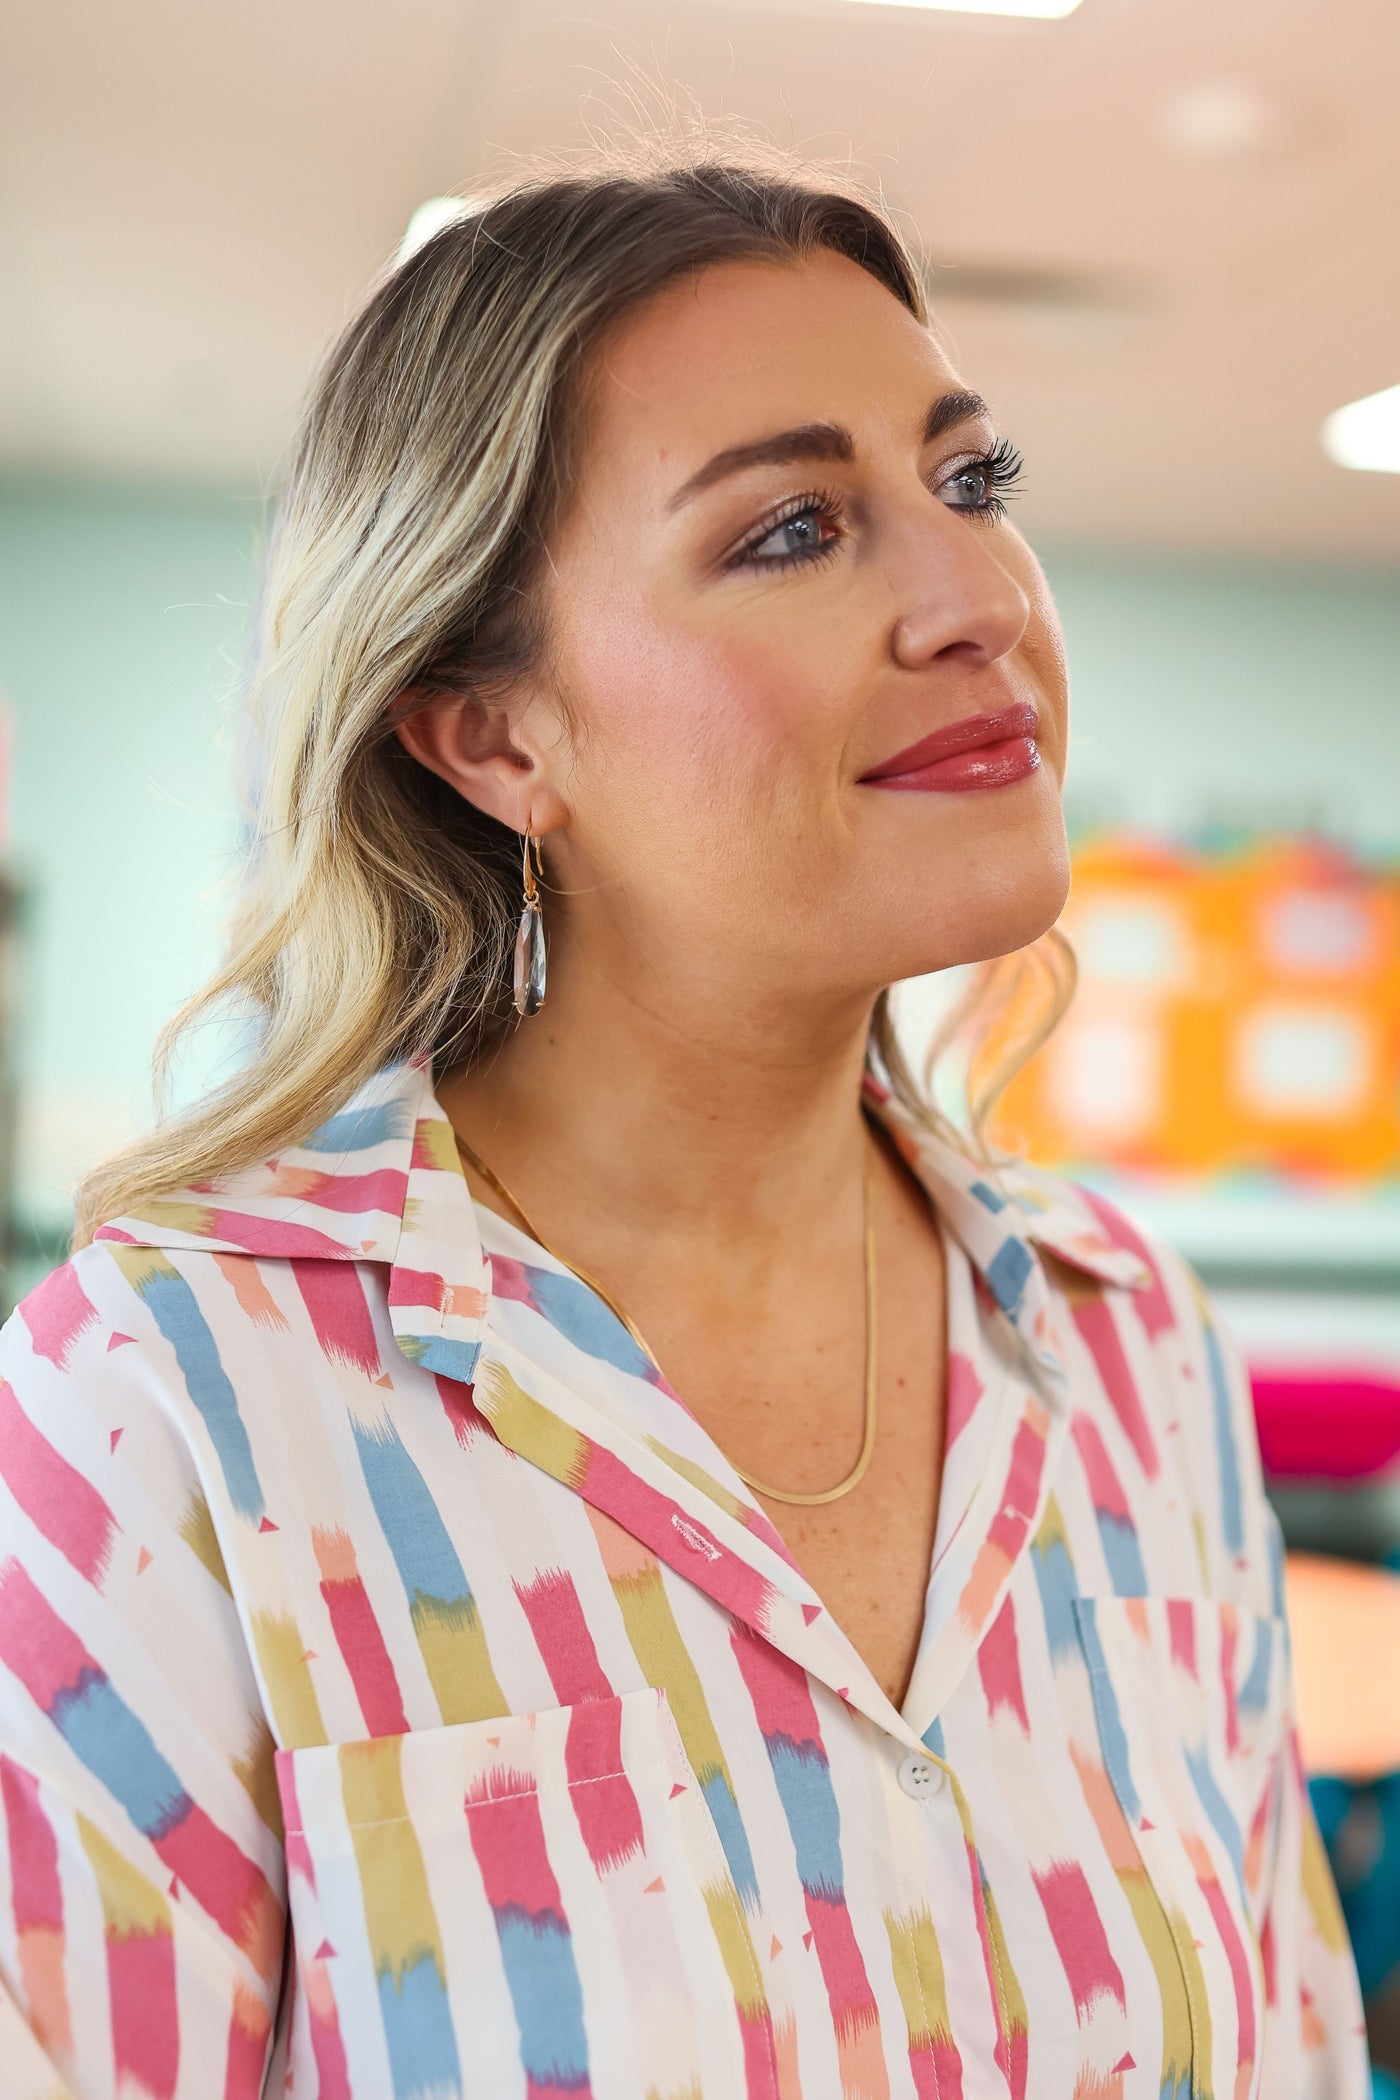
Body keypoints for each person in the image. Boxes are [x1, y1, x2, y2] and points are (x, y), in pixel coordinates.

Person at [0, 142, 1367, 2098]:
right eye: (794, 531)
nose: (977, 594)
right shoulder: (172, 1405)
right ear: (492, 733)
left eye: (969, 483)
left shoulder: (1125, 1346)